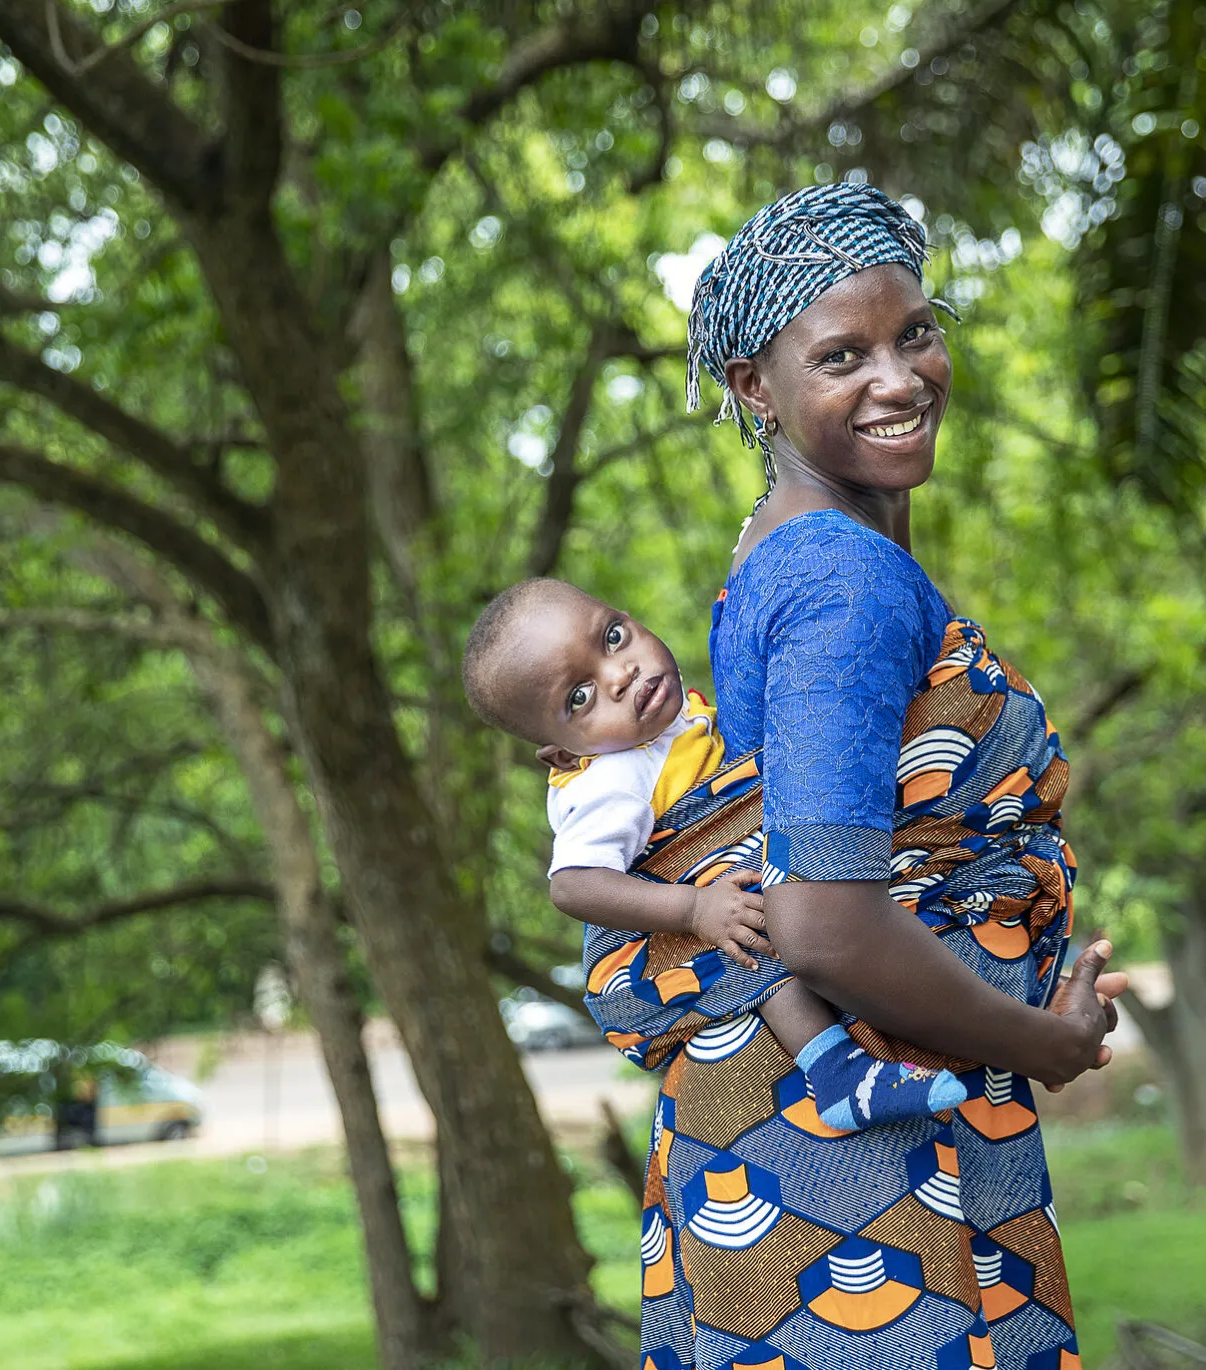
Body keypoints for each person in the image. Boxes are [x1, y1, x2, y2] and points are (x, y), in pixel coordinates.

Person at [602, 182, 1128, 1370]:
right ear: (753, 386)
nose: (899, 378)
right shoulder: (843, 579)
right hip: (867, 1147)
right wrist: (1036, 1040)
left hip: (804, 1120)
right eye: (841, 354)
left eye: (917, 334)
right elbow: (824, 918)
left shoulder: (780, 548)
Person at [460, 576, 969, 1131]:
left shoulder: (664, 725)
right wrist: (694, 910)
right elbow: (573, 884)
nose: (619, 673)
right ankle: (837, 1074)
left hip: (703, 907)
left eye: (612, 637)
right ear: (562, 754)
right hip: (650, 955)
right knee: (759, 945)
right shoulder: (610, 782)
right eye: (578, 697)